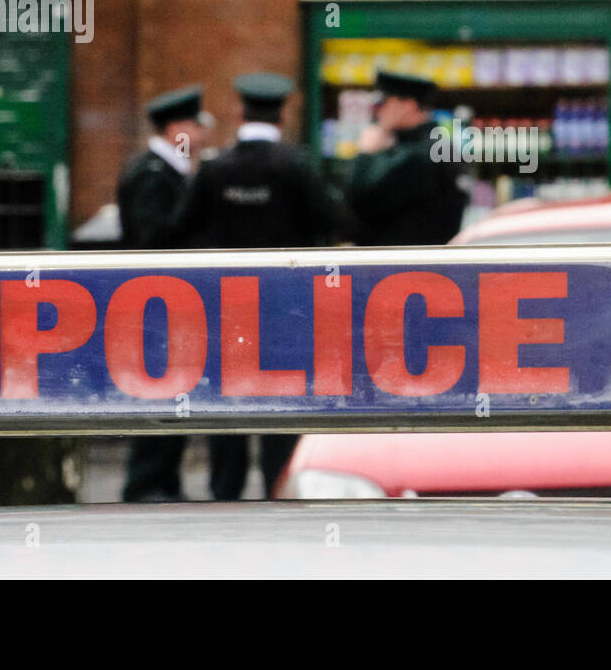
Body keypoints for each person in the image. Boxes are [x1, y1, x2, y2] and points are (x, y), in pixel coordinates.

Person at [170, 72, 341, 499]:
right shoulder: (297, 167)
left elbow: (178, 230)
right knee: (282, 406)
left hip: (226, 311)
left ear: (239, 111)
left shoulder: (214, 170)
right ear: (282, 113)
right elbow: (339, 222)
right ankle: (279, 490)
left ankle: (225, 496)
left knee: (228, 405)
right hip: (289, 311)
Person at [117, 84, 206, 502]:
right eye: (194, 124)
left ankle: (162, 480)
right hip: (156, 306)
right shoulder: (152, 175)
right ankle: (148, 482)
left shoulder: (169, 171)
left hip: (169, 303)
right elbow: (153, 239)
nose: (202, 132)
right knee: (160, 390)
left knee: (175, 391)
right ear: (176, 128)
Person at [346, 70, 467, 246]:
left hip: (403, 265)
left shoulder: (422, 153)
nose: (379, 110)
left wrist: (366, 153)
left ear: (409, 105)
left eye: (385, 102)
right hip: (413, 262)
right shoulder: (433, 144)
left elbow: (359, 198)